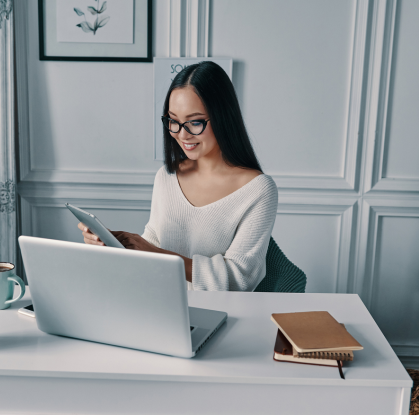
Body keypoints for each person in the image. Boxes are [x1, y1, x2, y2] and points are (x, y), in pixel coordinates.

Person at [78, 61, 278, 293]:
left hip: (220, 313)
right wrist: (117, 245)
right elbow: (153, 239)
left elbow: (239, 279)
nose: (181, 134)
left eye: (194, 122)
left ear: (224, 117)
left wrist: (154, 253)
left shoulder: (258, 190)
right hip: (158, 301)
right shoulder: (167, 176)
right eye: (173, 121)